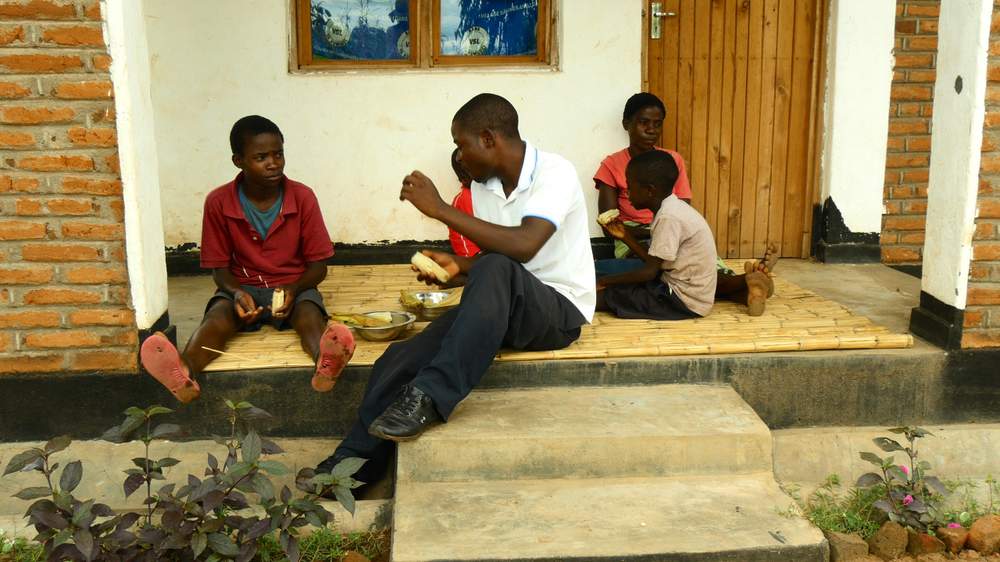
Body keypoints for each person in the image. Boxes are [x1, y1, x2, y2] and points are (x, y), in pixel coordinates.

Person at [315, 94, 596, 486]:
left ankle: (430, 397)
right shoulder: (485, 189)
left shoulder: (555, 172)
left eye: (460, 145)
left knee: (497, 266)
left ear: (487, 139)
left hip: (558, 311)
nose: (459, 157)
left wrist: (441, 209)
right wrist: (458, 268)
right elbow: (495, 265)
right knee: (400, 357)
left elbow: (523, 246)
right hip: (507, 307)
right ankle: (353, 466)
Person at [139, 115, 355, 403]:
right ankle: (184, 371)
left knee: (310, 317)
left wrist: (294, 288)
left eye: (278, 154)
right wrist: (236, 292)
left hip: (293, 285)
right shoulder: (218, 202)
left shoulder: (302, 197)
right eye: (261, 157)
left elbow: (318, 267)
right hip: (243, 288)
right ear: (238, 160)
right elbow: (219, 270)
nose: (273, 163)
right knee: (216, 321)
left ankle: (325, 363)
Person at [595, 92, 778, 314]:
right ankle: (746, 284)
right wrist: (635, 235)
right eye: (644, 123)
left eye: (657, 124)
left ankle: (745, 282)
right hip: (632, 234)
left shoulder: (671, 163)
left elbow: (681, 212)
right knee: (686, 270)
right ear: (627, 124)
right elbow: (609, 223)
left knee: (691, 268)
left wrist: (654, 235)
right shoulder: (612, 164)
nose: (651, 130)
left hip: (668, 233)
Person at [598, 150, 772, 318]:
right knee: (624, 288)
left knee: (610, 296)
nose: (627, 193)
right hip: (691, 291)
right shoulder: (671, 208)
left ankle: (747, 282)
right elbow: (655, 264)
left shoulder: (668, 217)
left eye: (630, 187)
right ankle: (748, 285)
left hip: (681, 300)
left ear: (650, 191)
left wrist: (604, 282)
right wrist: (626, 237)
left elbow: (649, 272)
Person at [447, 148, 480, 257]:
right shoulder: (462, 200)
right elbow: (461, 240)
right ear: (463, 179)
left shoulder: (492, 194)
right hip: (474, 256)